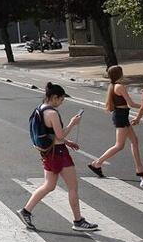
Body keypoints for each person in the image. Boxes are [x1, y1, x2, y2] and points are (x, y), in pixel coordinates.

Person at [18, 83, 99, 232]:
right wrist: (72, 124)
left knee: (49, 185)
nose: (61, 103)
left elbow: (51, 134)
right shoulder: (52, 113)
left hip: (48, 152)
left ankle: (26, 210)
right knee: (73, 187)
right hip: (59, 153)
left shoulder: (40, 108)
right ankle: (78, 221)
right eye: (61, 100)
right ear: (55, 98)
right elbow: (60, 135)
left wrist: (67, 142)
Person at [88, 65, 143, 178]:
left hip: (122, 115)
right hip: (120, 116)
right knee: (119, 145)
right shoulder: (119, 86)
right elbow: (131, 104)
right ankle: (97, 163)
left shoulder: (113, 85)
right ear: (119, 74)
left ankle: (140, 169)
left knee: (134, 141)